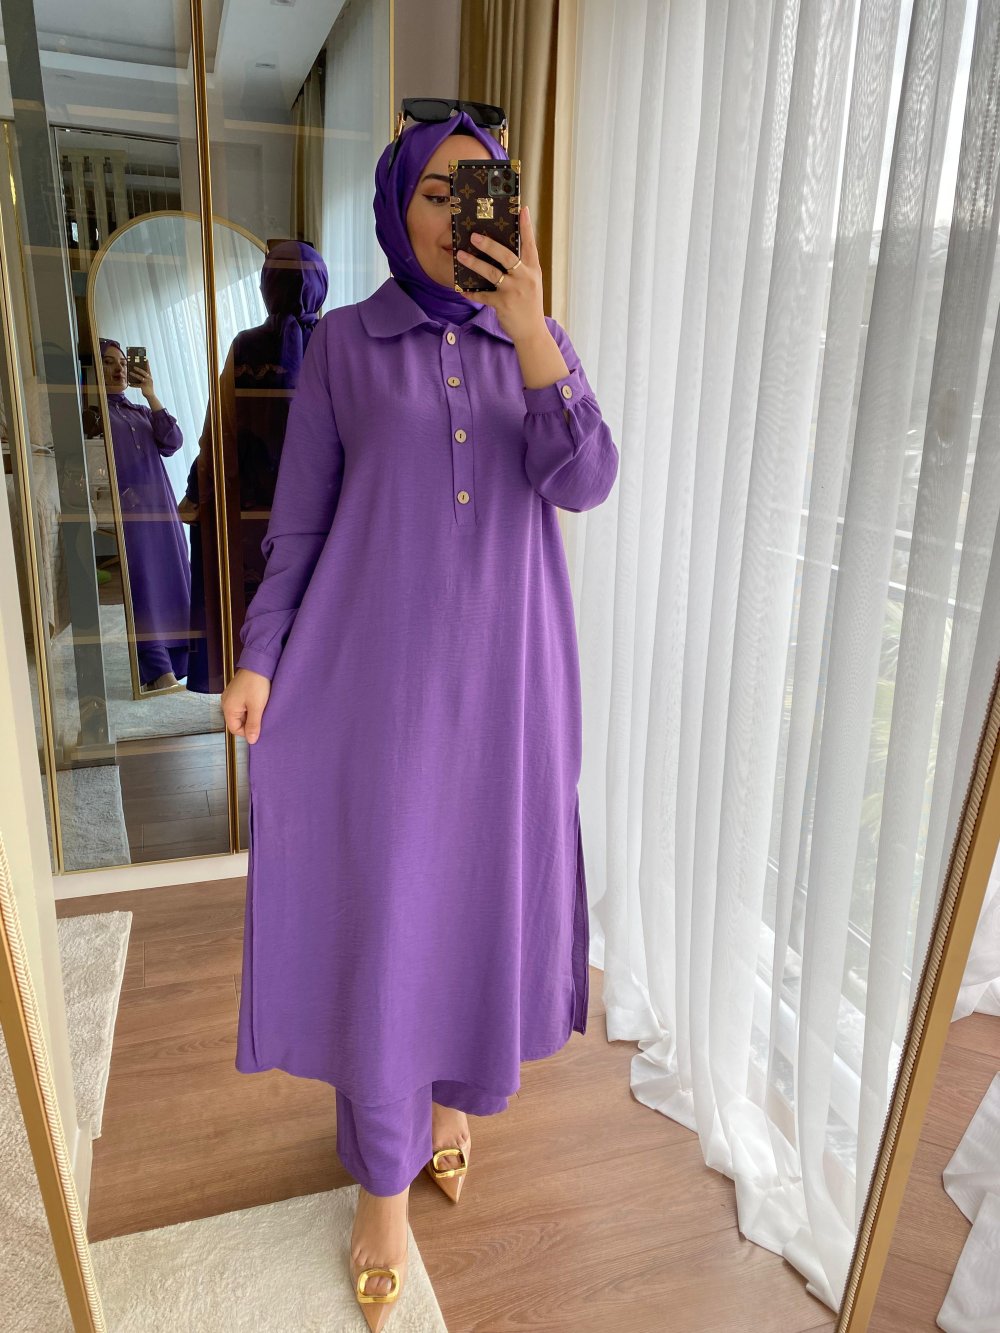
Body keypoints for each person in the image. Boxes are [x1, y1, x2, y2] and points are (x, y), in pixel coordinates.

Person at [221, 106, 619, 1329]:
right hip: (375, 693)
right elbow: (299, 524)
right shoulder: (345, 342)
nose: (456, 216)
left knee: (474, 909)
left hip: (509, 691)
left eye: (479, 193)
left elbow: (586, 479)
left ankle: (452, 1103)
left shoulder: (533, 342)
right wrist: (260, 659)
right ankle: (381, 1186)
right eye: (436, 193)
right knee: (391, 923)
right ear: (398, 205)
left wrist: (531, 328)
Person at [181, 241, 328, 695]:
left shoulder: (247, 346)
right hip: (324, 508)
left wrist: (198, 491)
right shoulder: (336, 341)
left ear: (268, 287)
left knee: (255, 607)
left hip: (252, 512)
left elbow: (219, 431)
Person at [99, 338, 191, 692]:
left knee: (173, 580)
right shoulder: (93, 415)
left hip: (161, 510)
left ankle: (177, 665)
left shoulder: (139, 411)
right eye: (109, 362)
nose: (119, 368)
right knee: (144, 583)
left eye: (123, 362)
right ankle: (157, 670)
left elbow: (173, 442)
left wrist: (151, 395)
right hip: (131, 514)